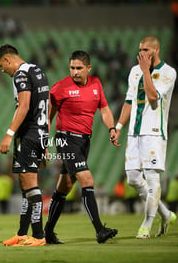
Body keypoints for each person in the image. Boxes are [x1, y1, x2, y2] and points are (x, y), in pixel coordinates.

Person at [45, 50, 118, 244]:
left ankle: (48, 232)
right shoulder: (60, 88)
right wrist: (44, 142)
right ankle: (99, 230)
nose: (75, 72)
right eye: (72, 68)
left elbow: (104, 108)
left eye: (79, 68)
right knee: (87, 179)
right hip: (65, 139)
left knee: (64, 188)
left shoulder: (96, 84)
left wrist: (112, 127)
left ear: (88, 68)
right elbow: (48, 116)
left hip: (84, 141)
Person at [113, 36, 177, 238]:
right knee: (132, 178)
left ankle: (147, 224)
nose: (142, 53)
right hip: (134, 132)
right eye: (140, 49)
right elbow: (129, 101)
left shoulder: (168, 72)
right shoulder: (134, 71)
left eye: (146, 50)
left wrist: (145, 71)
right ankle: (166, 214)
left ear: (156, 50)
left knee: (152, 179)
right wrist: (118, 126)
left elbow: (152, 97)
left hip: (154, 133)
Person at [0, 44, 49, 247]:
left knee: (30, 184)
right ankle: (22, 233)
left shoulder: (20, 75)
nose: (2, 70)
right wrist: (45, 143)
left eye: (1, 65)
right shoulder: (38, 71)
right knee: (24, 185)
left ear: (8, 60)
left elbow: (24, 106)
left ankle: (39, 235)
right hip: (39, 133)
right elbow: (46, 105)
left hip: (28, 134)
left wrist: (8, 134)